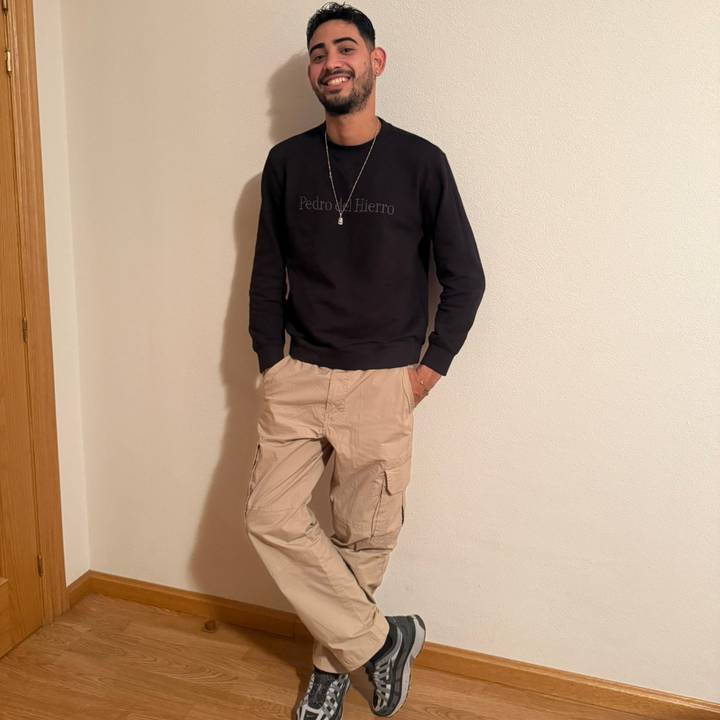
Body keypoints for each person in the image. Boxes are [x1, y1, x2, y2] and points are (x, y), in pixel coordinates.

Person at [245, 2, 486, 717]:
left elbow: (466, 277)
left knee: (362, 537)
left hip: (383, 381)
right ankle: (382, 643)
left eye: (345, 48)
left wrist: (429, 369)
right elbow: (266, 273)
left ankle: (330, 671)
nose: (332, 63)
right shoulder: (287, 163)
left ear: (375, 62)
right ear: (312, 73)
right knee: (269, 517)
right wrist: (270, 362)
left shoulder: (420, 162)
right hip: (298, 374)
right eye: (319, 53)